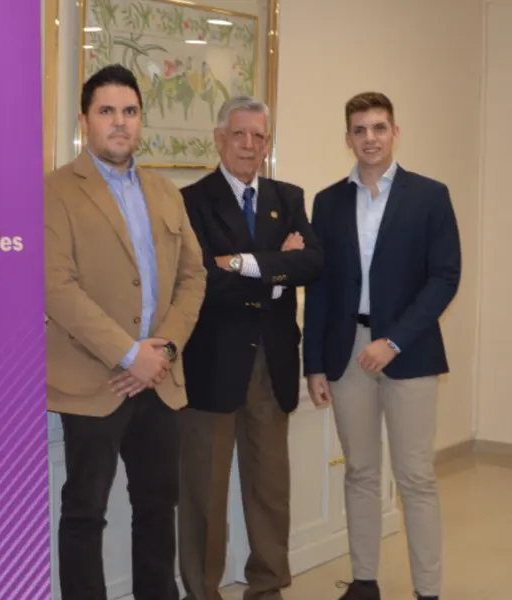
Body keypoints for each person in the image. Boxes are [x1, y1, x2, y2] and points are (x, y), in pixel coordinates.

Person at [44, 63, 207, 600]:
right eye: (107, 111)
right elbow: (57, 288)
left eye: (130, 111)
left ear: (142, 121)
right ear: (84, 121)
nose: (120, 123)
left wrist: (162, 351)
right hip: (93, 382)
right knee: (85, 513)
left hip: (159, 378)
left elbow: (193, 276)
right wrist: (126, 353)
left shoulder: (166, 192)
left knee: (158, 507)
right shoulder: (55, 192)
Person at [303, 92, 461, 600]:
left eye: (378, 127)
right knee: (361, 471)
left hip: (408, 351)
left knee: (414, 476)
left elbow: (444, 277)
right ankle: (365, 580)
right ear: (347, 137)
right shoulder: (328, 202)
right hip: (346, 351)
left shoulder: (429, 195)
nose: (369, 138)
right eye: (359, 129)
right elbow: (322, 286)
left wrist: (392, 340)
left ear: (395, 132)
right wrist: (314, 365)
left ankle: (428, 590)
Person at [178, 96, 324, 600]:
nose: (249, 145)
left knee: (269, 490)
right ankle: (202, 591)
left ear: (267, 143)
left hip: (272, 361)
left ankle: (266, 588)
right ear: (219, 138)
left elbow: (313, 264)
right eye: (239, 134)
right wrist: (274, 269)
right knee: (204, 494)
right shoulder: (191, 200)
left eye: (259, 136)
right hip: (212, 365)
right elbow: (202, 281)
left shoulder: (289, 195)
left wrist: (240, 263)